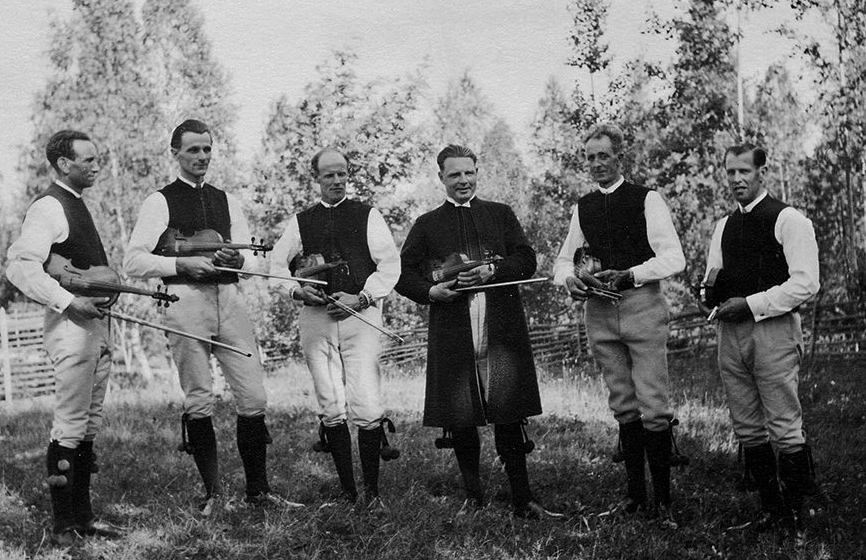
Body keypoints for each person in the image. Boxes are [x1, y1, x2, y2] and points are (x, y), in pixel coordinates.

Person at [123, 119, 300, 513]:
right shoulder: (159, 201)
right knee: (199, 396)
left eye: (206, 149)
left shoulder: (227, 200)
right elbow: (133, 261)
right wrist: (181, 266)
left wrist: (239, 261)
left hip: (229, 299)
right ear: (175, 154)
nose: (202, 156)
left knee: (253, 395)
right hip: (185, 300)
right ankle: (214, 496)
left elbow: (251, 258)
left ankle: (259, 492)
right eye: (193, 150)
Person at [395, 144, 560, 520]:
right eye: (454, 174)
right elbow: (402, 273)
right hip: (454, 327)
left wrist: (492, 271)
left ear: (477, 173)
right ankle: (474, 499)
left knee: (508, 409)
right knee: (462, 412)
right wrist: (431, 292)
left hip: (500, 326)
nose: (463, 180)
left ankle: (523, 500)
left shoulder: (500, 214)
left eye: (468, 172)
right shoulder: (427, 224)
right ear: (441, 177)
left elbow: (526, 258)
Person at [552, 123, 686, 522]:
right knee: (623, 405)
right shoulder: (583, 206)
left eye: (604, 156)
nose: (597, 164)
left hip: (641, 306)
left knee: (653, 406)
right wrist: (569, 280)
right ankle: (635, 496)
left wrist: (631, 274)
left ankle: (663, 501)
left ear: (620, 158)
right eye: (590, 158)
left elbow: (674, 257)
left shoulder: (647, 199)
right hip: (600, 314)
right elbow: (563, 261)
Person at [6, 130, 120, 545]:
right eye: (88, 160)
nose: (96, 166)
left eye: (97, 159)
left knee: (89, 424)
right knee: (70, 424)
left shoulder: (76, 202)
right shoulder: (50, 206)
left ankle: (84, 517)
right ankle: (62, 526)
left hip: (95, 325)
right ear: (63, 164)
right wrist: (68, 302)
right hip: (72, 326)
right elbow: (20, 266)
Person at [269, 147, 401, 506]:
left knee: (367, 401)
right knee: (330, 401)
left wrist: (363, 297)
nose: (337, 180)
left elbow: (390, 265)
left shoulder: (367, 215)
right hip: (317, 317)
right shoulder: (301, 221)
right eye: (329, 174)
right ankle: (347, 491)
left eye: (342, 173)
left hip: (361, 314)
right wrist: (298, 291)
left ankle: (371, 493)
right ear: (317, 178)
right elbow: (275, 267)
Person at [702, 144, 820, 532]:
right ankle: (772, 509)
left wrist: (752, 304)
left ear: (761, 172)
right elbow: (714, 277)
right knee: (747, 425)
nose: (737, 179)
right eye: (730, 172)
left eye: (744, 171)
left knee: (783, 423)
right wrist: (709, 297)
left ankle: (796, 514)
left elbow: (806, 283)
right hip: (731, 333)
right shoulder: (723, 226)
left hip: (773, 330)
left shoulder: (788, 219)